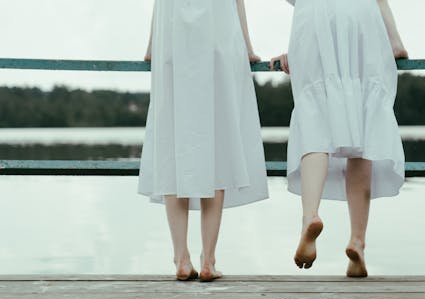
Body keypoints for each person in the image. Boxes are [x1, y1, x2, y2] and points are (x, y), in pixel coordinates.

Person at [271, 0, 407, 277]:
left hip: (311, 16)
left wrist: (298, 48)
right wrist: (395, 42)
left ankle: (310, 216)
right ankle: (357, 241)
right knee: (362, 124)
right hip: (361, 17)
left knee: (314, 120)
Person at [139, 0, 268, 282]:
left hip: (172, 36)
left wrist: (152, 45)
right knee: (217, 143)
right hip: (217, 33)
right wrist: (247, 47)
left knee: (172, 144)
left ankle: (181, 258)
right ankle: (208, 259)